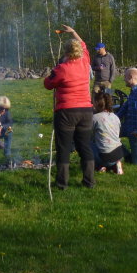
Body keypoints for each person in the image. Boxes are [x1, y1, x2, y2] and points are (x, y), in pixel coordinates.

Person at [44, 24, 95, 189]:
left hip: (66, 111)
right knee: (85, 146)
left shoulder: (62, 68)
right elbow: (84, 45)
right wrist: (74, 31)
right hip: (86, 110)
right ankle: (89, 182)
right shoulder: (85, 61)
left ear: (66, 52)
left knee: (64, 148)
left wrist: (52, 72)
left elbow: (48, 84)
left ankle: (62, 184)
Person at [91, 91, 125, 174]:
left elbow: (87, 134)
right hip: (120, 154)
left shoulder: (95, 118)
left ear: (96, 103)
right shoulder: (115, 116)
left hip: (106, 157)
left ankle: (99, 166)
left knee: (86, 143)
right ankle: (115, 165)